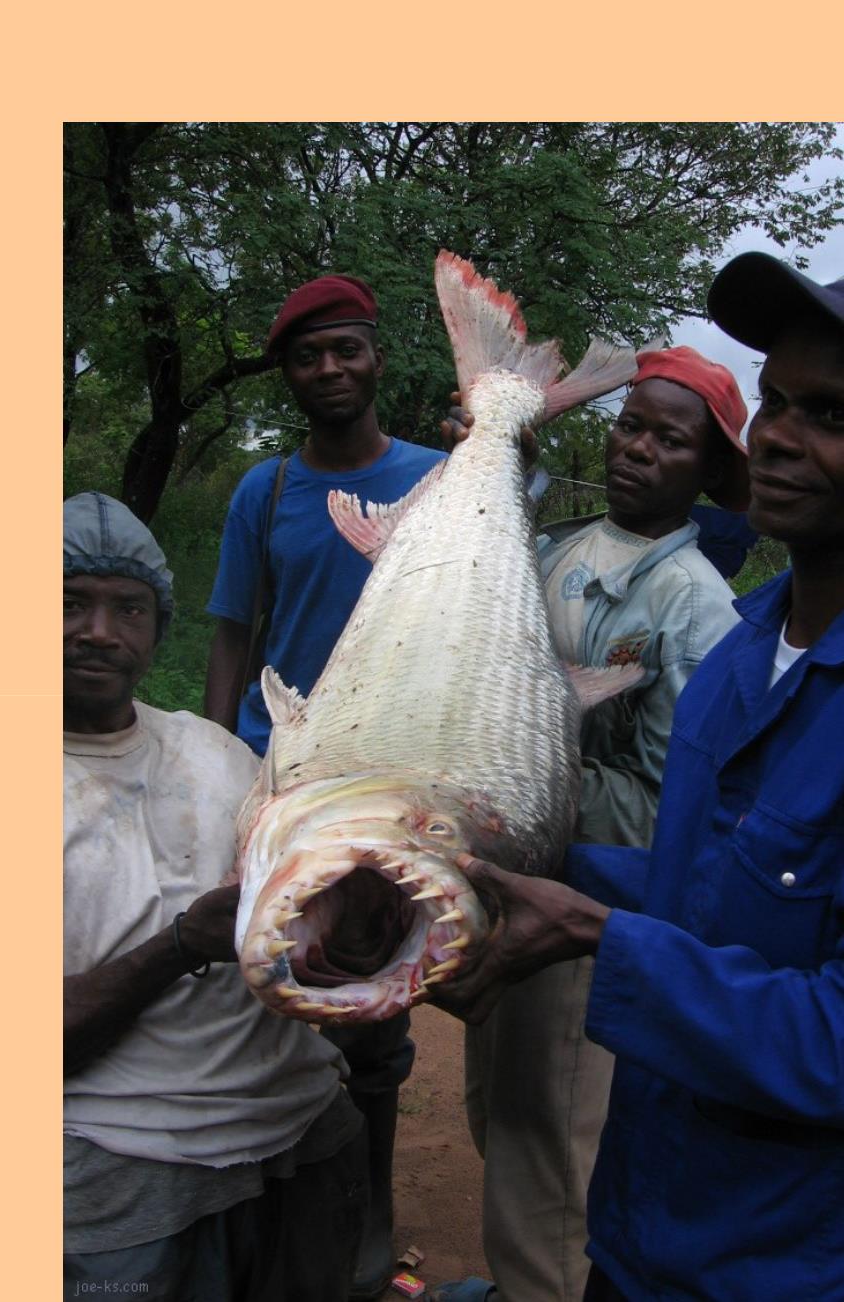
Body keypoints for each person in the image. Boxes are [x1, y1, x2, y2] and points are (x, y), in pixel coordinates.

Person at [433, 254, 844, 1301]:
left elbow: (829, 1041)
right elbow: (695, 881)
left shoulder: (696, 616)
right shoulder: (742, 661)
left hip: (778, 1265)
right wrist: (508, 862)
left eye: (832, 414)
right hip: (639, 1225)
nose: (785, 437)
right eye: (779, 404)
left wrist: (588, 934)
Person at [444, 346, 750, 1302]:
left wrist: (527, 772)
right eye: (631, 426)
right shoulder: (561, 548)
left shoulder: (695, 603)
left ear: (707, 472)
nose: (638, 451)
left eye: (670, 439)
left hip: (584, 912)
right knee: (500, 1105)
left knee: (557, 1139)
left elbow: (674, 810)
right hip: (513, 876)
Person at [204, 274, 444, 1300]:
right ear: (289, 375)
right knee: (263, 989)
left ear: (375, 356)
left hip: (382, 787)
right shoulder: (262, 494)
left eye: (346, 349)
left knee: (370, 1009)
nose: (330, 370)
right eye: (309, 357)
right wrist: (215, 761)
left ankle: (367, 1227)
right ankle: (260, 1215)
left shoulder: (438, 480)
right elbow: (230, 634)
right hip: (283, 781)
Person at [63, 491, 367, 1302]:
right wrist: (183, 945)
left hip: (303, 1135)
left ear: (157, 629)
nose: (100, 631)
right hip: (127, 1171)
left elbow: (317, 944)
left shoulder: (217, 751)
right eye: (68, 604)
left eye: (127, 608)